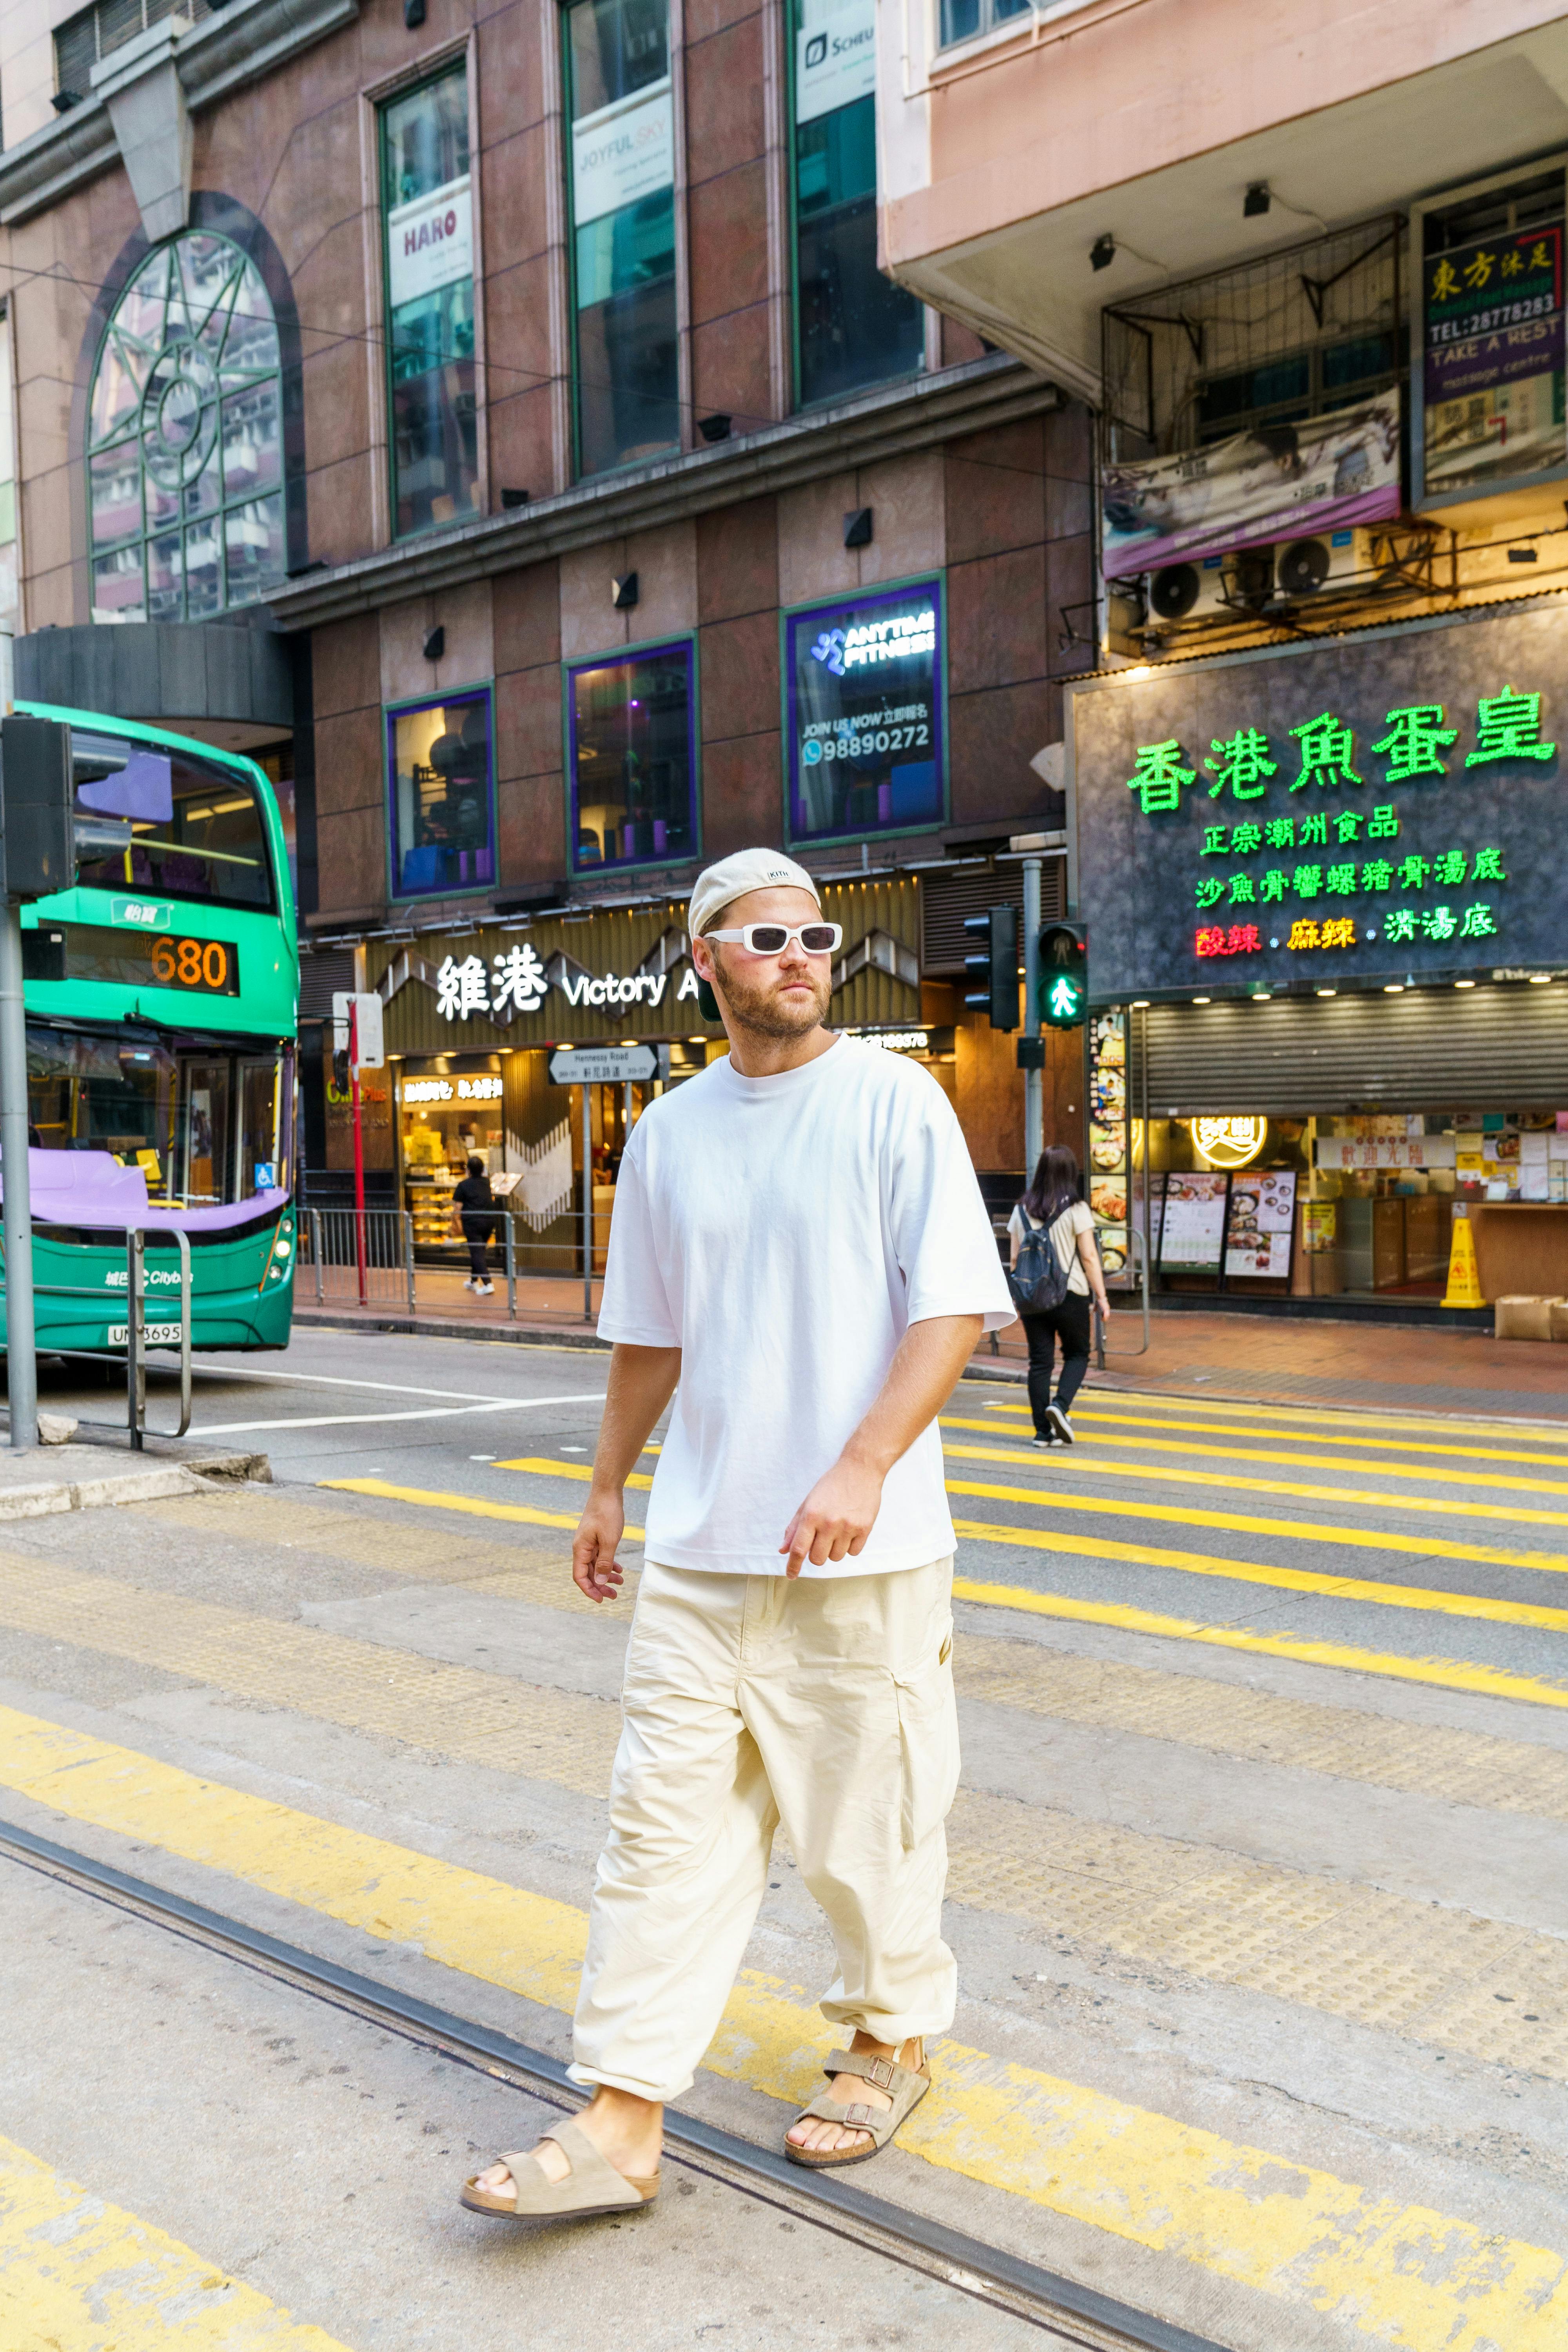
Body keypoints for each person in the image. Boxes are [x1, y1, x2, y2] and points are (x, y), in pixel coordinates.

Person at [461, 848, 1012, 2225]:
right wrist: (605, 1486)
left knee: (867, 1832)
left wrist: (862, 1466)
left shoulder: (895, 1101)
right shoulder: (668, 1133)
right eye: (768, 937)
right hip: (704, 1557)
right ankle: (623, 2121)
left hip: (863, 1555)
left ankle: (889, 2043)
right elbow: (654, 1334)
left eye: (817, 935)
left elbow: (951, 1309)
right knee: (660, 1836)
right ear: (704, 956)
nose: (801, 955)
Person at [1007, 1143, 1110, 1448]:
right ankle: (1060, 1406)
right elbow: (1089, 1257)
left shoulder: (1020, 1209)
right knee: (1077, 1354)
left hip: (1032, 1298)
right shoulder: (1076, 1208)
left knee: (1040, 1363)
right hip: (1071, 1294)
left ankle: (1042, 1432)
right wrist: (1102, 1297)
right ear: (1071, 1174)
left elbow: (1014, 1260)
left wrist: (1018, 1295)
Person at [451, 1153, 497, 1297]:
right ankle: (473, 1281)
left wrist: (456, 1222)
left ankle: (488, 1284)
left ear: (468, 1170)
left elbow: (457, 1207)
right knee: (479, 1251)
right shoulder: (487, 1183)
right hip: (489, 1222)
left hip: (473, 1222)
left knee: (477, 1253)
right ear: (483, 1169)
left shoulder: (463, 1185)